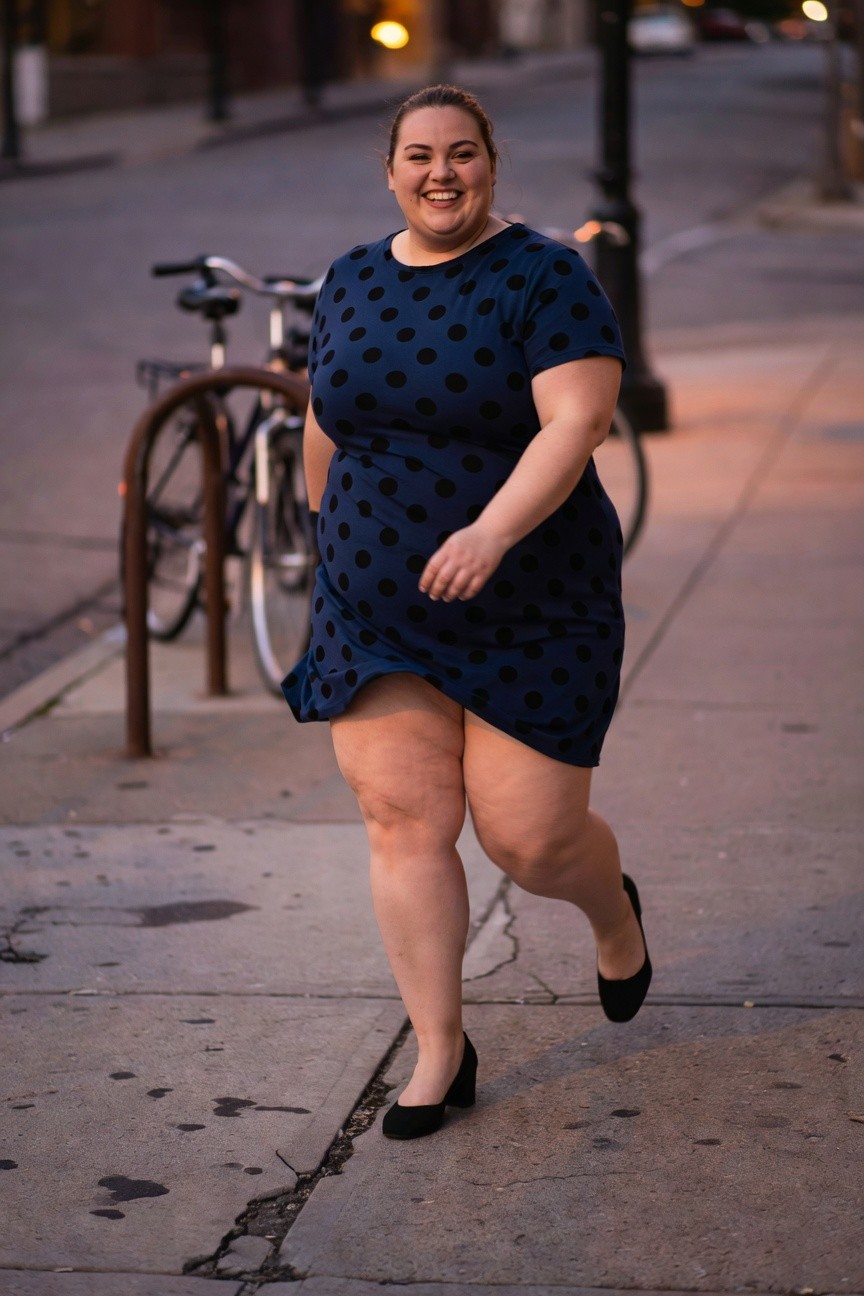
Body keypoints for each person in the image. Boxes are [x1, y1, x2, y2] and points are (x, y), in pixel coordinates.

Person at [282, 84, 651, 1141]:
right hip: (374, 611)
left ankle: (614, 917)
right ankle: (441, 1048)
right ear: (388, 169)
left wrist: (490, 533)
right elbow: (327, 421)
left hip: (534, 598)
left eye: (461, 153)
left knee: (530, 841)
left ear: (491, 164)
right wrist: (334, 542)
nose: (440, 172)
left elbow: (577, 419)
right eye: (418, 155)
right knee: (403, 820)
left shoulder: (544, 277)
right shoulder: (351, 278)